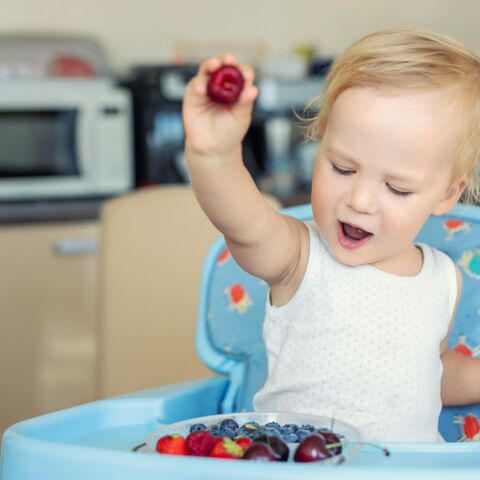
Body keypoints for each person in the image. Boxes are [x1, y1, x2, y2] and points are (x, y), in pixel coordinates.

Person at [182, 27, 480, 442]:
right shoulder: (298, 256)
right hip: (297, 466)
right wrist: (214, 154)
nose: (359, 200)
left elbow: (431, 374)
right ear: (320, 144)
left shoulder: (444, 278)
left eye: (396, 188)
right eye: (342, 167)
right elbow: (242, 222)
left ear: (448, 193)